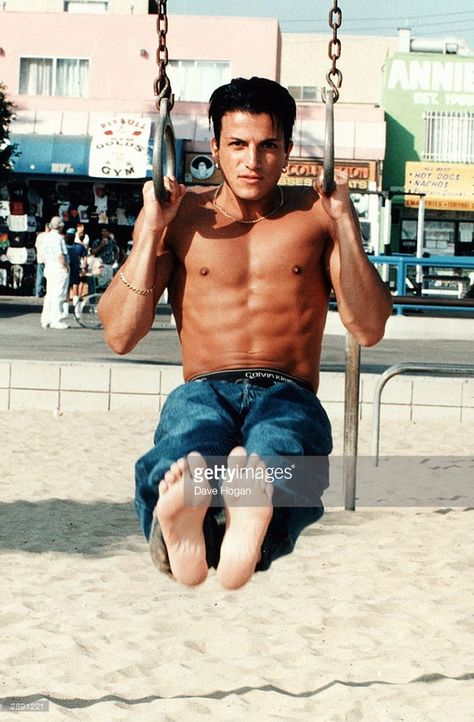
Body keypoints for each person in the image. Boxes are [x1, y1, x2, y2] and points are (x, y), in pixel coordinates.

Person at [98, 77, 392, 590]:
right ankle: (201, 516)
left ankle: (248, 505)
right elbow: (120, 334)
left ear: (288, 150)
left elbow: (367, 328)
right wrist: (150, 227)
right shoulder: (182, 216)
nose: (251, 160)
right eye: (237, 144)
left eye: (267, 145)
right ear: (214, 148)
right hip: (205, 387)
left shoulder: (317, 215)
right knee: (179, 457)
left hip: (287, 389)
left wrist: (346, 222)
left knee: (285, 451)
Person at [38, 216, 69, 330]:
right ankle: (56, 320)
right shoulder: (59, 238)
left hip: (49, 266)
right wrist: (65, 267)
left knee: (50, 294)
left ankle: (45, 318)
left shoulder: (45, 238)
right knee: (59, 294)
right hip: (58, 267)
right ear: (61, 226)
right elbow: (60, 255)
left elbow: (43, 255)